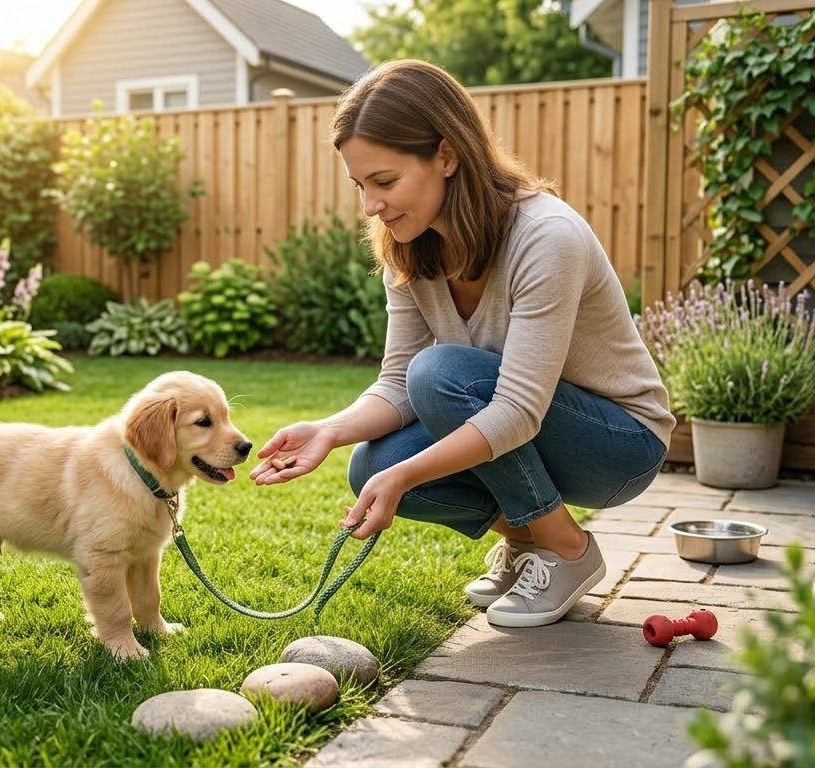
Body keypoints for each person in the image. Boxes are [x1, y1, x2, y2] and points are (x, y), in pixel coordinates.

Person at [250, 60, 674, 628]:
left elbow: (516, 411)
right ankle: (528, 544)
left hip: (619, 444)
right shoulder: (410, 248)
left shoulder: (546, 236)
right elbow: (397, 383)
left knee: (442, 376)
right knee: (373, 461)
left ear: (447, 156)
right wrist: (330, 430)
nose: (370, 206)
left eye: (384, 181)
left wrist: (408, 477)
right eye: (360, 185)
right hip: (536, 426)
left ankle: (568, 550)